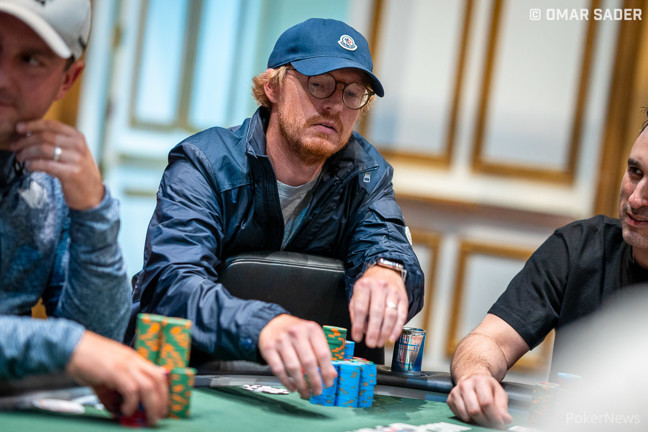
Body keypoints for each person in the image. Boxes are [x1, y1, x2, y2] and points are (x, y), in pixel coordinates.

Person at [132, 18, 424, 398]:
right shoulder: (204, 163)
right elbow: (172, 285)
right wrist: (264, 325)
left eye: (353, 93)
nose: (335, 105)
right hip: (192, 381)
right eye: (319, 84)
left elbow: (387, 242)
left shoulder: (366, 175)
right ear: (272, 87)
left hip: (312, 395)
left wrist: (389, 270)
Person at [0, 0, 167, 425]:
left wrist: (93, 209)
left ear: (67, 80)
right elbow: (81, 348)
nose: (2, 78)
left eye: (30, 60)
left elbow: (100, 340)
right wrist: (66, 346)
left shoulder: (50, 180)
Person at [447, 114, 648, 428]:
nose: (635, 199)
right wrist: (475, 377)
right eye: (635, 172)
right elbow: (490, 341)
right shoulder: (578, 246)